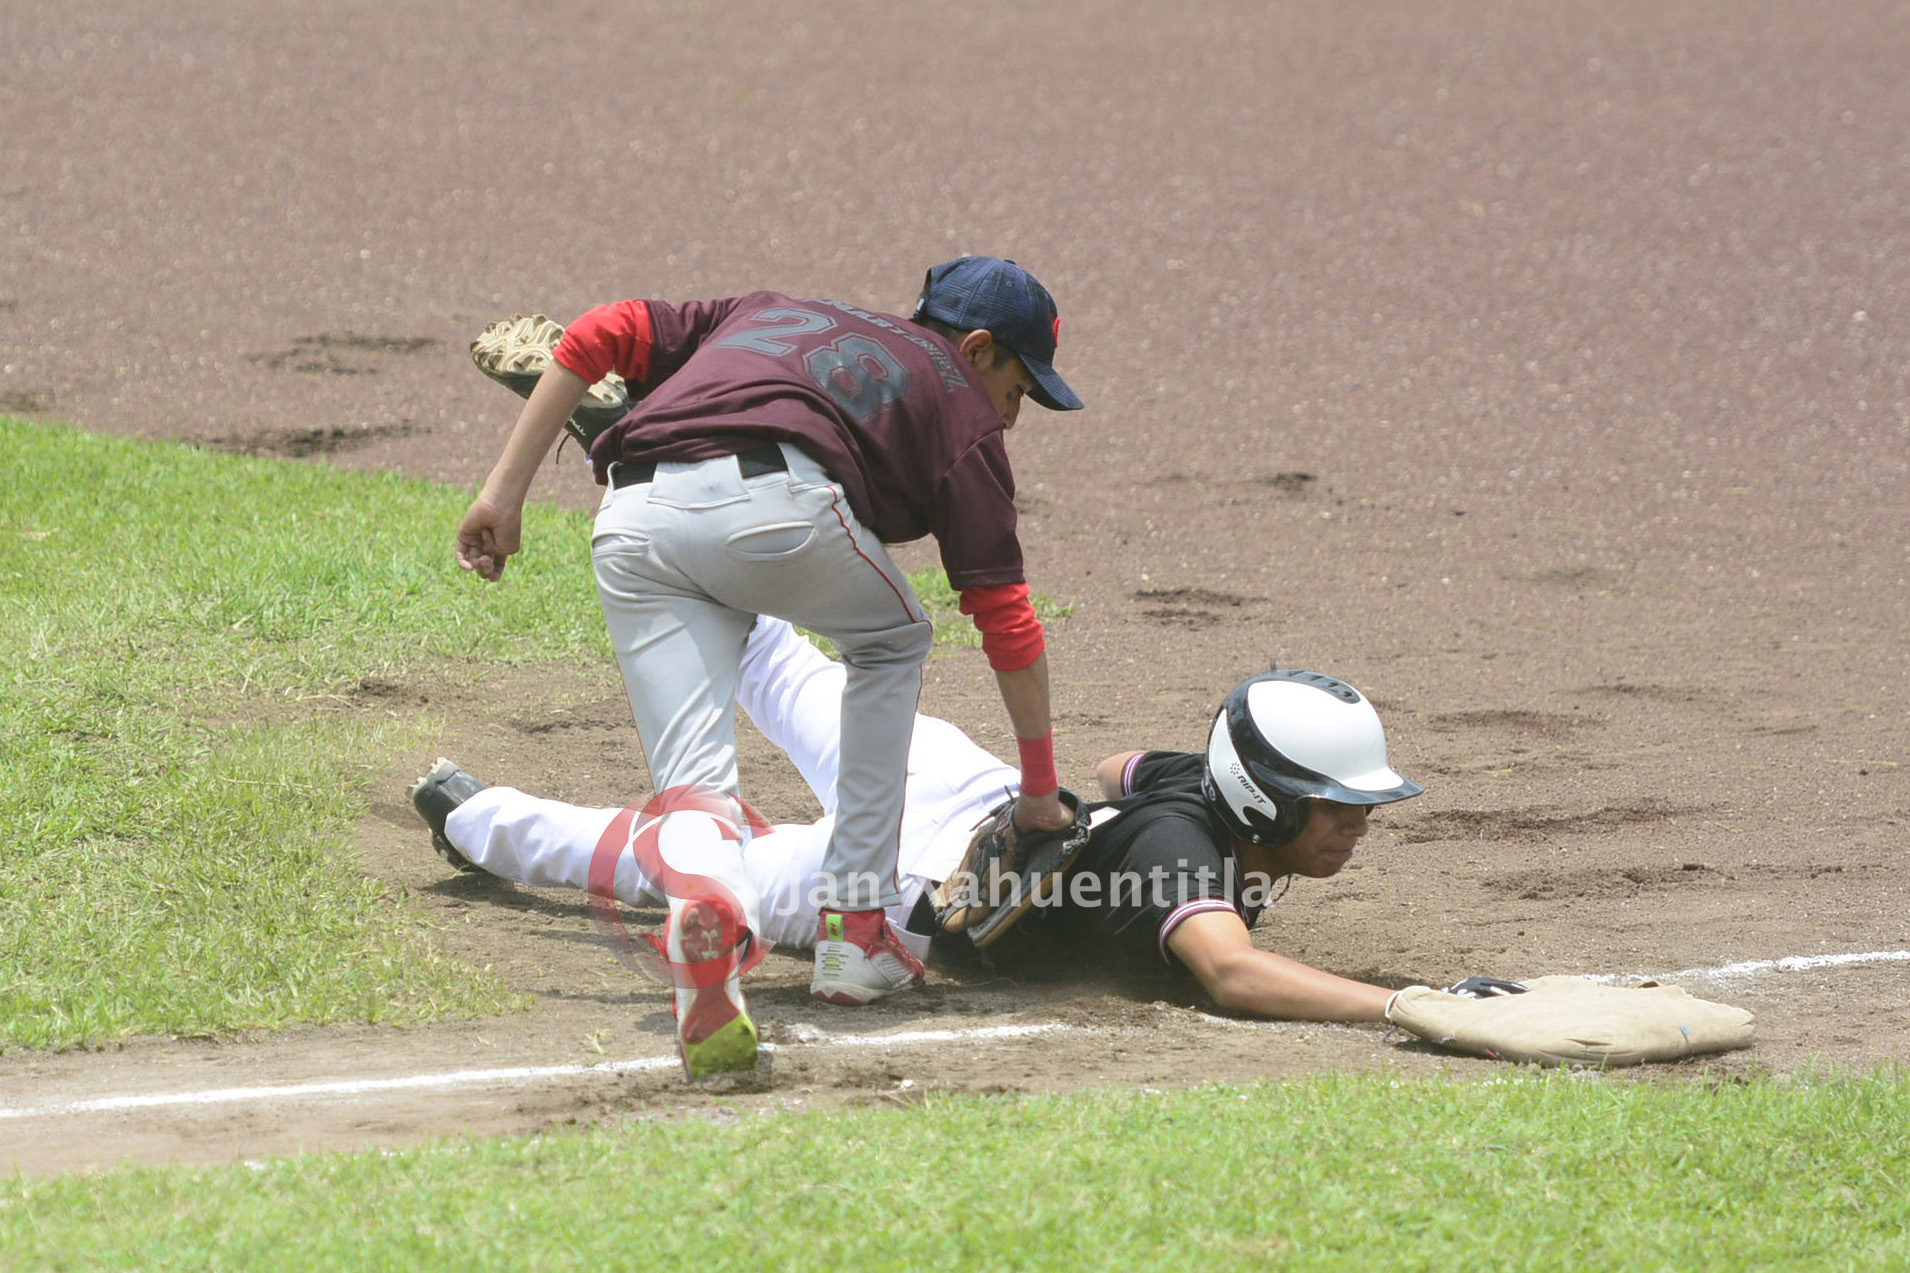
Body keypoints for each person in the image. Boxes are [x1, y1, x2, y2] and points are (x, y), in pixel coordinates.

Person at [450, 257, 1085, 1073]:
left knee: (697, 787)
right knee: (890, 640)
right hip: (775, 506)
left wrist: (503, 495)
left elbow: (599, 330)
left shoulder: (768, 311)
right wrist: (1037, 793)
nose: (1015, 413)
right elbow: (1007, 620)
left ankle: (707, 903)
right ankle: (856, 932)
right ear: (978, 347)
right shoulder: (959, 402)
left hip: (631, 524)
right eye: (1021, 387)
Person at [409, 617, 1430, 1079]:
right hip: (889, 890)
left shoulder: (1183, 785)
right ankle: (471, 817)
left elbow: (1119, 767)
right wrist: (1397, 1003)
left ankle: (670, 527)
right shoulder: (1182, 853)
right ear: (1258, 799)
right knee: (679, 866)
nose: (1352, 825)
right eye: (1331, 805)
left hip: (971, 793)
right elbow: (1233, 973)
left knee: (791, 675)